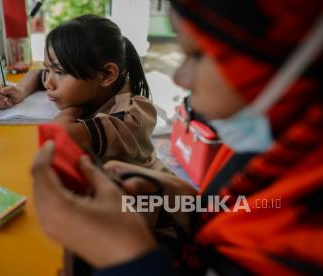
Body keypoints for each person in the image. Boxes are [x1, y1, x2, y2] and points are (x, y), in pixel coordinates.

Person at [31, 0, 323, 275]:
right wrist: (177, 194)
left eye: (195, 55)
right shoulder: (268, 143)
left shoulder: (307, 237)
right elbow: (239, 211)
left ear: (272, 59)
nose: (179, 78)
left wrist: (126, 258)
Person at [0, 14, 166, 171]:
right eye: (49, 70)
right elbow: (37, 74)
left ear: (106, 75)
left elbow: (56, 138)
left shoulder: (130, 117)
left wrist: (73, 109)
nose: (48, 82)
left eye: (59, 72)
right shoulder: (92, 83)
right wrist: (20, 90)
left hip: (146, 202)